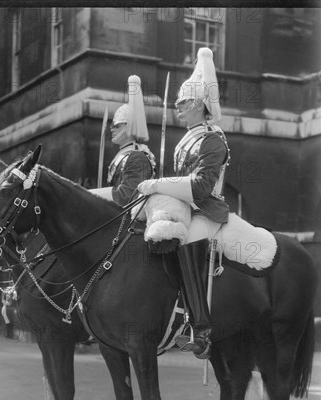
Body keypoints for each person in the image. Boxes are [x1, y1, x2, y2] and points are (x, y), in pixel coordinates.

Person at [137, 47, 231, 359]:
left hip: (206, 208)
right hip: (186, 206)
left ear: (201, 105)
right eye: (177, 102)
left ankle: (200, 329)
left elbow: (203, 186)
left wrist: (160, 184)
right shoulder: (186, 140)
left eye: (184, 102)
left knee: (187, 240)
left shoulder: (212, 140)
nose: (178, 108)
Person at [90, 74, 156, 206]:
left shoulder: (137, 157)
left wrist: (94, 195)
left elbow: (127, 196)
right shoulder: (124, 155)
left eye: (117, 126)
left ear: (129, 126)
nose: (111, 129)